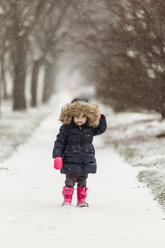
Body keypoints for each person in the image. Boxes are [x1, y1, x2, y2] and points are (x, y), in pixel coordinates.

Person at [52, 98, 107, 207]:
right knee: (70, 180)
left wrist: (99, 115)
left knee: (83, 181)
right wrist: (57, 155)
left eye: (83, 117)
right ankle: (67, 199)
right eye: (76, 117)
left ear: (88, 117)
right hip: (70, 159)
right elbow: (59, 141)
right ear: (71, 116)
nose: (79, 120)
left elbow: (101, 129)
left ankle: (81, 200)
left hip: (85, 159)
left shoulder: (90, 128)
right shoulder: (66, 128)